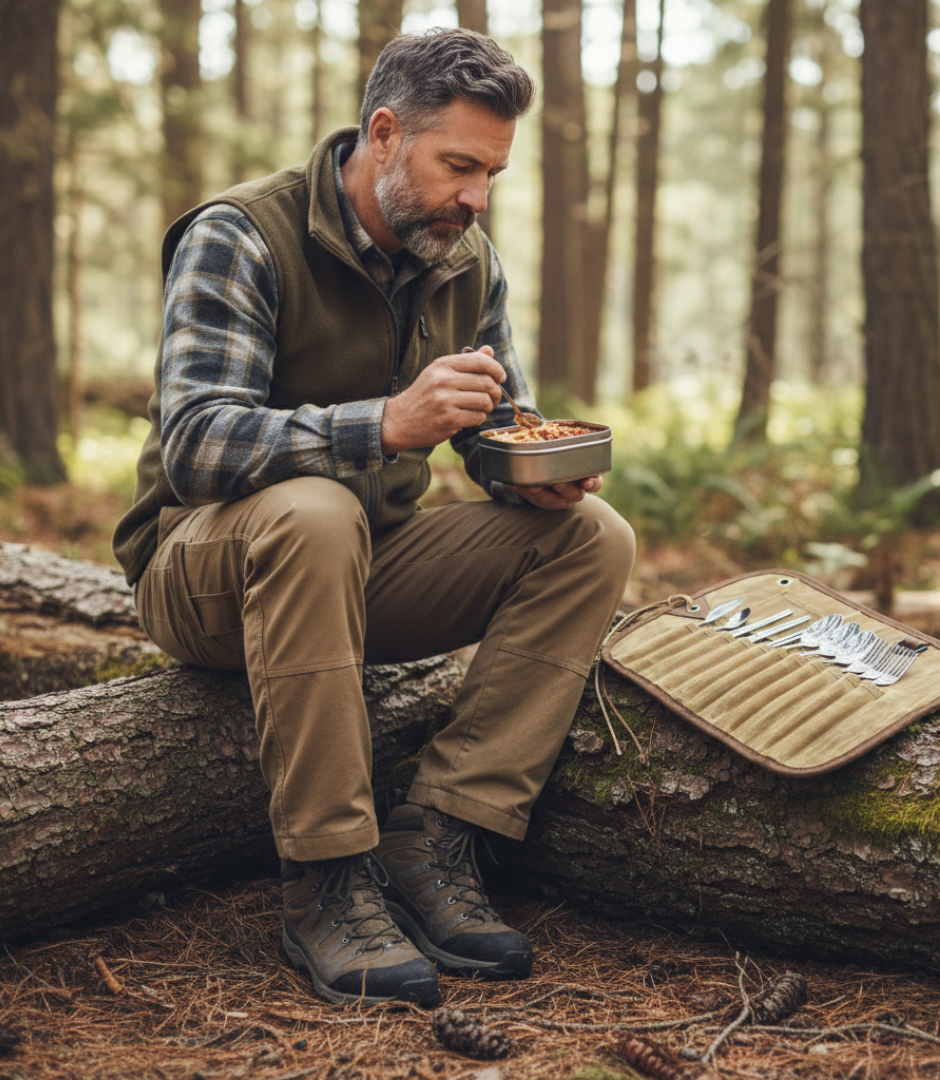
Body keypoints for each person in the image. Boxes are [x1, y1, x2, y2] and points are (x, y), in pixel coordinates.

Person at [113, 28, 635, 1009]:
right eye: (461, 166)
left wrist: (530, 473)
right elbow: (194, 444)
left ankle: (440, 831)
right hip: (204, 571)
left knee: (592, 539)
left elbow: (490, 428)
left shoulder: (465, 260)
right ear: (384, 134)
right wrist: (385, 425)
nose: (477, 197)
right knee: (314, 515)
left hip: (365, 563)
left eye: (492, 174)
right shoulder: (242, 233)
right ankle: (328, 877)